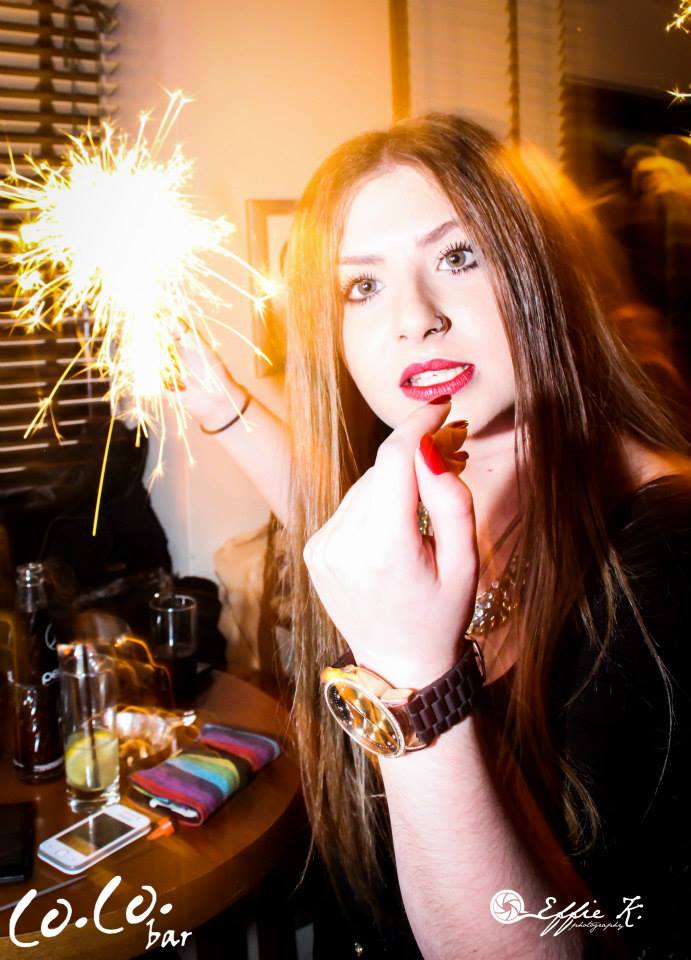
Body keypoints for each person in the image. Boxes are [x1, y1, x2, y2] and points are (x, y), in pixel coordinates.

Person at [182, 115, 691, 958]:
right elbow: (324, 511)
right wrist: (222, 405)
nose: (413, 319)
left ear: (537, 268)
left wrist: (416, 685)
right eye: (361, 287)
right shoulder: (441, 481)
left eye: (458, 257)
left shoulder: (665, 552)